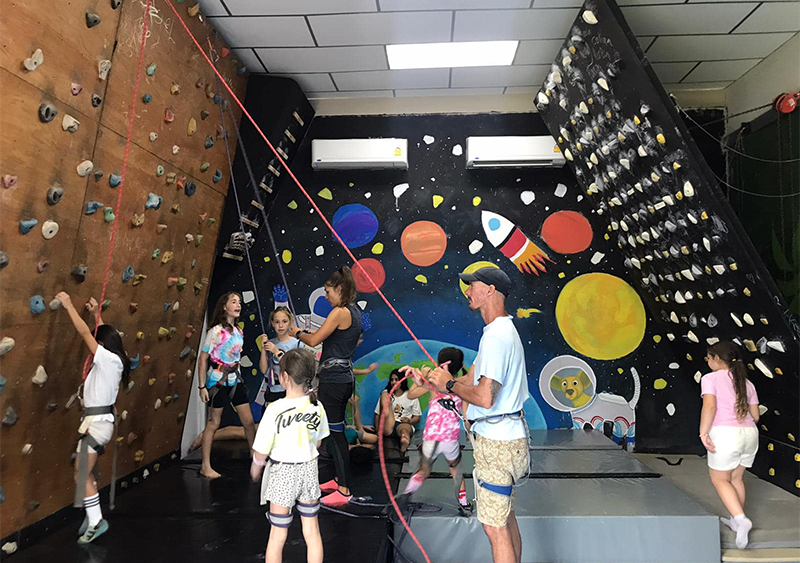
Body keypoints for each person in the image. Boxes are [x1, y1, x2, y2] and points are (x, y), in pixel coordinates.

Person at [427, 267, 529, 563]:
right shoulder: (497, 332)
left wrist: (447, 384)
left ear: (490, 290)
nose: (467, 291)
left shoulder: (497, 336)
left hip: (498, 444)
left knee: (494, 527)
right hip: (505, 439)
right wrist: (444, 383)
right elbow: (471, 381)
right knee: (505, 518)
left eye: (472, 285)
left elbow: (484, 396)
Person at [56, 292, 130, 544]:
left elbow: (86, 335)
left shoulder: (108, 360)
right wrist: (95, 313)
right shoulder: (114, 360)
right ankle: (91, 513)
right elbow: (97, 333)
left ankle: (96, 519)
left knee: (81, 474)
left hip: (97, 425)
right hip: (98, 423)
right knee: (85, 471)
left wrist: (67, 305)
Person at [290, 266, 362, 506]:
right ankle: (337, 479)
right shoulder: (354, 312)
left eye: (328, 291)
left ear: (339, 289)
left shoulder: (340, 312)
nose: (326, 296)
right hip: (342, 377)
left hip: (334, 379)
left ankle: (344, 489)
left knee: (335, 432)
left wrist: (297, 331)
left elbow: (313, 340)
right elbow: (329, 337)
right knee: (332, 431)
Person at [250, 348, 329, 563]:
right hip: (309, 470)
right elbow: (319, 441)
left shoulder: (275, 409)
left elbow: (261, 451)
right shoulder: (317, 407)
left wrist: (255, 468)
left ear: (284, 377)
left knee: (277, 534)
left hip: (282, 472)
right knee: (312, 531)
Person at [699, 341, 760, 549]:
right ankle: (736, 520)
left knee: (720, 479)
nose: (708, 361)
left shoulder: (710, 378)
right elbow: (756, 416)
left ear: (717, 358)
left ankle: (742, 519)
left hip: (725, 434)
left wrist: (703, 432)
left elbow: (710, 406)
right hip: (750, 433)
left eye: (709, 357)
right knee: (736, 478)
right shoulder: (747, 383)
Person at [400, 347, 470, 513]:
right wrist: (468, 434)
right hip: (450, 440)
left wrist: (423, 378)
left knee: (423, 470)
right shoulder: (462, 387)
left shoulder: (433, 386)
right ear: (460, 367)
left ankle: (406, 495)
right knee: (456, 470)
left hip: (430, 439)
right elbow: (466, 417)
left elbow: (411, 394)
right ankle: (464, 504)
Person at [197, 292, 256, 479]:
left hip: (235, 379)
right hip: (218, 381)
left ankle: (256, 458)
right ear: (224, 306)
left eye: (239, 302)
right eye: (233, 302)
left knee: (248, 421)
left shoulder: (239, 331)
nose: (238, 305)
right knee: (214, 423)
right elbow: (203, 358)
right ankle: (205, 465)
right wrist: (202, 387)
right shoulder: (215, 332)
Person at [260, 306, 302, 407]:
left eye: (284, 321)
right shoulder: (271, 343)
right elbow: (263, 370)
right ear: (272, 323)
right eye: (277, 322)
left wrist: (277, 352)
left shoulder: (296, 344)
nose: (281, 325)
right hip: (273, 390)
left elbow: (295, 369)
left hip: (290, 390)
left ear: (290, 322)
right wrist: (263, 349)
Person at [374, 369, 421, 453]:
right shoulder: (386, 395)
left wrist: (409, 421)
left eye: (396, 379)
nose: (393, 382)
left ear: (402, 381)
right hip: (389, 424)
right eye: (392, 380)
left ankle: (404, 439)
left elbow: (417, 418)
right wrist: (377, 430)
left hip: (403, 424)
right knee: (384, 393)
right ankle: (387, 411)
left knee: (404, 430)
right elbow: (377, 414)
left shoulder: (411, 395)